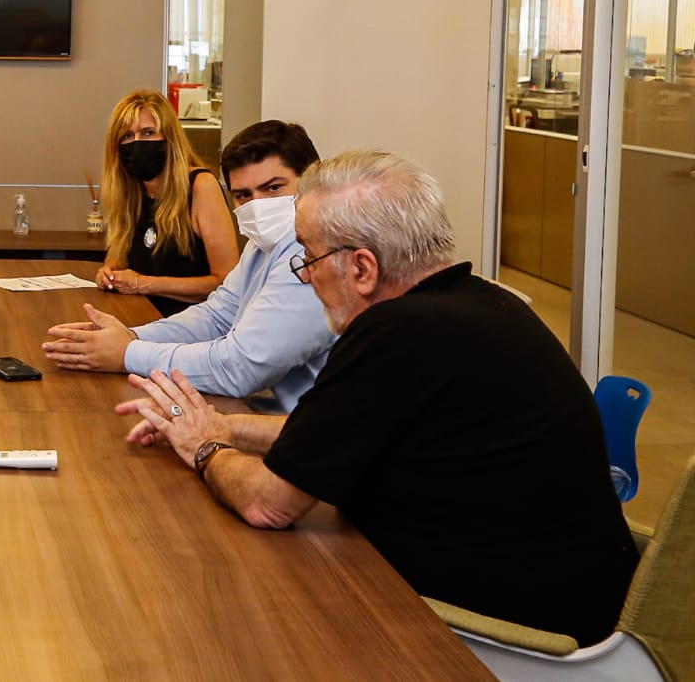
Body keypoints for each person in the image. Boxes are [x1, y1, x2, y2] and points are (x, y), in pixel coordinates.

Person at [117, 151, 637, 645]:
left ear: (363, 268)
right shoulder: (482, 302)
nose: (306, 275)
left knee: (218, 613)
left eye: (309, 258)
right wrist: (225, 427)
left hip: (507, 630)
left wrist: (204, 448)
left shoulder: (394, 333)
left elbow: (267, 504)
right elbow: (333, 431)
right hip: (577, 595)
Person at [43, 120, 332, 412]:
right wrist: (131, 336)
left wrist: (127, 353)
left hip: (300, 434)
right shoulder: (265, 244)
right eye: (243, 195)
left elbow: (240, 368)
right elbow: (216, 317)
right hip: (262, 414)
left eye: (272, 188)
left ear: (310, 182)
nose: (258, 205)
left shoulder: (314, 254)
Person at [95, 89, 237, 315]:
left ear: (169, 138)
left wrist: (143, 283)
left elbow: (227, 282)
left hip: (195, 328)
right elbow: (117, 261)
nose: (137, 143)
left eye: (149, 133)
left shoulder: (201, 186)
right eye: (127, 136)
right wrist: (108, 273)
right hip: (140, 318)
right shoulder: (130, 193)